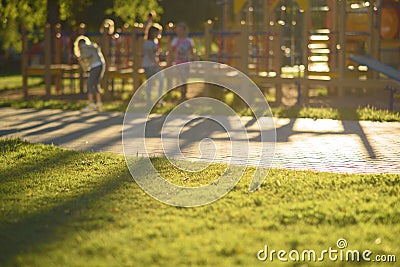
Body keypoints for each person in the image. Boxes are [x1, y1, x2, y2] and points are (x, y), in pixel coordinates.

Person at [74, 36, 105, 112]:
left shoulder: (83, 47)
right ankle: (99, 104)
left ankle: (91, 104)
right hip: (100, 65)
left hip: (95, 66)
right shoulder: (92, 46)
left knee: (90, 84)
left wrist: (81, 57)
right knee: (96, 84)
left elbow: (87, 55)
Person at [167, 22, 195, 102]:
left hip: (186, 63)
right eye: (177, 30)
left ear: (185, 31)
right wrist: (169, 61)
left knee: (185, 79)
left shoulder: (189, 41)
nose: (178, 32)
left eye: (180, 30)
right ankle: (176, 96)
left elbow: (192, 52)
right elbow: (171, 51)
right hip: (178, 63)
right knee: (179, 79)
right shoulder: (175, 40)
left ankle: (183, 96)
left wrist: (194, 59)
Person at [142, 24, 164, 107]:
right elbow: (151, 55)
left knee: (161, 81)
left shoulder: (155, 41)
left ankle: (159, 100)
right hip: (149, 65)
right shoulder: (148, 42)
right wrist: (158, 64)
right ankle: (148, 101)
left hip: (154, 65)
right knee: (150, 83)